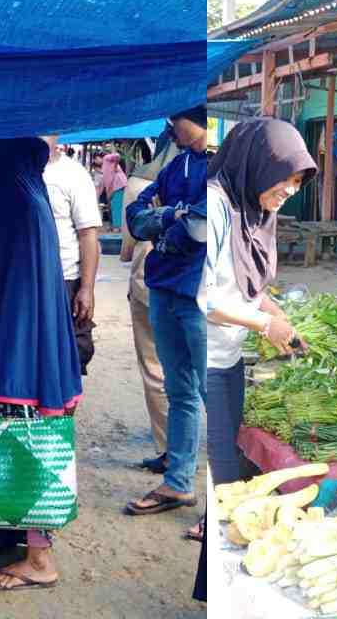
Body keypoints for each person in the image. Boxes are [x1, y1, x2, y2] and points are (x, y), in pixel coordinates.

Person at [0, 137, 84, 591]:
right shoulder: (18, 203)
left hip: (18, 359)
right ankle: (17, 539)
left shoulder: (24, 211)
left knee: (27, 443)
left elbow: (23, 297)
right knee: (12, 445)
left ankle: (39, 559)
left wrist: (8, 364)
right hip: (8, 352)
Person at [200, 118, 314, 505]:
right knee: (224, 469)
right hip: (205, 356)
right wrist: (266, 324)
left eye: (299, 182)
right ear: (259, 165)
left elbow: (246, 286)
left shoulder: (254, 207)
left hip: (229, 355)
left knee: (229, 448)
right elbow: (207, 298)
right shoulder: (215, 205)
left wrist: (277, 314)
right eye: (286, 177)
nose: (291, 190)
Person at [123, 106, 209, 522]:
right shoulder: (176, 164)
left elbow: (199, 228)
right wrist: (172, 214)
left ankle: (223, 512)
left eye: (174, 120)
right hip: (163, 286)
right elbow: (135, 219)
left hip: (199, 293)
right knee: (180, 393)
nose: (168, 128)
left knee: (216, 396)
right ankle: (178, 483)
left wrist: (166, 215)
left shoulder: (221, 168)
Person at [121, 129, 177, 482]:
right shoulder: (205, 175)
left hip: (149, 283)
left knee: (156, 369)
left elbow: (127, 249)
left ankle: (169, 450)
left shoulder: (139, 183)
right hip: (193, 287)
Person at [42, 136, 101, 375]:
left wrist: (86, 288)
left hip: (66, 280)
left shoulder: (72, 174)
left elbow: (88, 234)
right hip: (26, 281)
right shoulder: (13, 170)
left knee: (73, 358)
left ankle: (63, 414)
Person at [100, 152, 128, 231]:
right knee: (116, 206)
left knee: (117, 206)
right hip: (118, 185)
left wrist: (115, 164)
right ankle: (118, 226)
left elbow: (117, 155)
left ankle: (117, 227)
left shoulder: (106, 158)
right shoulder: (107, 165)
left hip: (118, 185)